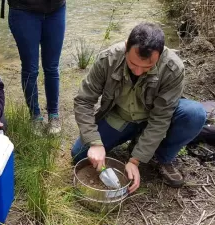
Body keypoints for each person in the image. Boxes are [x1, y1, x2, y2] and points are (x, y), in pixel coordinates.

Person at [71, 22, 206, 193]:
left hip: (152, 117)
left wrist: (135, 160)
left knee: (194, 114)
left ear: (161, 53)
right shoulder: (108, 59)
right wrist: (94, 142)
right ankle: (135, 139)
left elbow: (161, 118)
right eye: (133, 64)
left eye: (147, 67)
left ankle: (163, 157)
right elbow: (83, 100)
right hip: (121, 116)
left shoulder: (173, 68)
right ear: (127, 46)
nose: (138, 72)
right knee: (79, 155)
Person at [7, 0, 66, 134]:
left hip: (56, 9)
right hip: (23, 10)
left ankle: (54, 114)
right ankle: (35, 116)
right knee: (30, 69)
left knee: (52, 67)